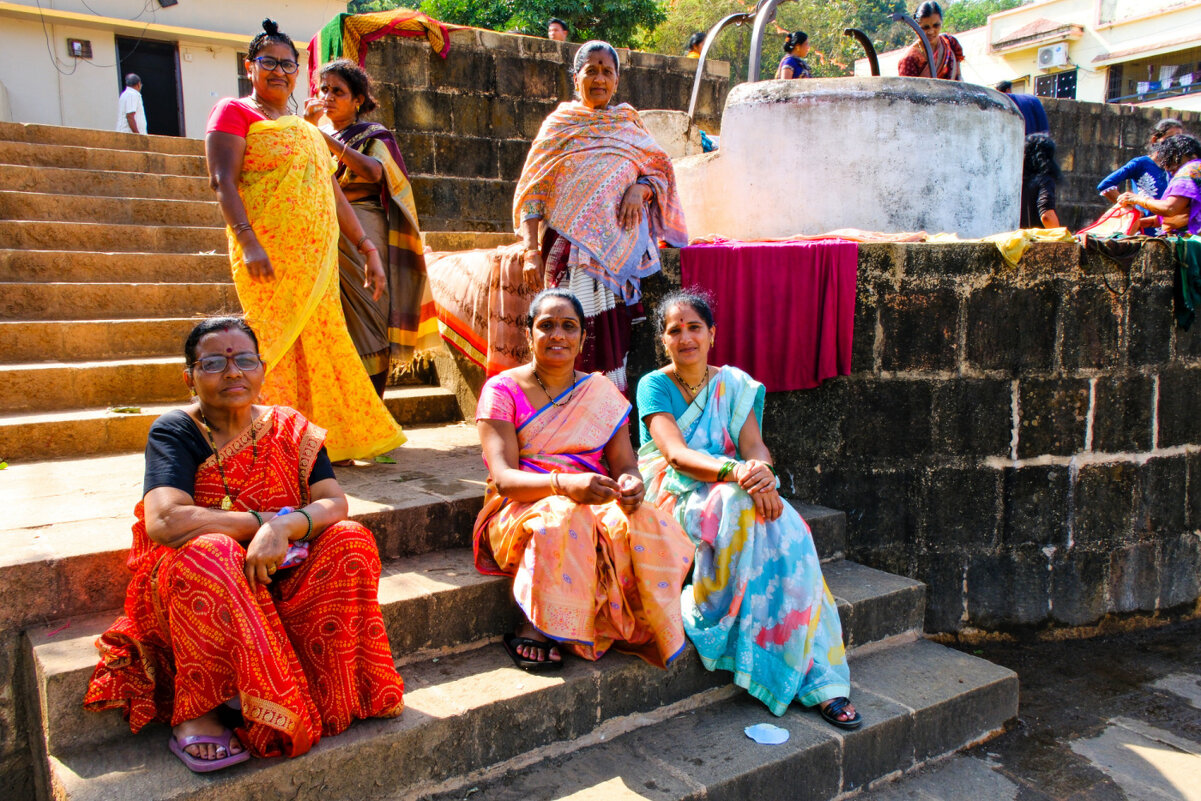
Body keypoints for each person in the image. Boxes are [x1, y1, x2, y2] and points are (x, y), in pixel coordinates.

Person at [83, 317, 405, 772]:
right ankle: (201, 710)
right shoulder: (176, 431)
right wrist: (259, 524)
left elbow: (334, 503)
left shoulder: (291, 428)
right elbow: (165, 519)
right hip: (206, 582)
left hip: (282, 570)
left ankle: (325, 689)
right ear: (189, 377)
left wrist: (282, 529)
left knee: (351, 541)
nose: (233, 372)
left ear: (262, 369)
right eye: (213, 362)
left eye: (245, 360)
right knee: (212, 552)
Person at [636, 290, 860, 729]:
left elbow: (754, 447)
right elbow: (677, 455)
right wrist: (740, 474)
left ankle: (821, 678)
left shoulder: (733, 384)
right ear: (664, 341)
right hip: (675, 492)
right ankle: (723, 614)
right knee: (740, 507)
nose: (685, 338)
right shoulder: (655, 385)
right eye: (674, 331)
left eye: (694, 327)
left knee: (792, 529)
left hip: (734, 485)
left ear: (712, 334)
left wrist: (761, 473)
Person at [205, 19, 406, 463]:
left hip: (318, 263)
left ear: (297, 71)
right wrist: (249, 242)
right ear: (249, 66)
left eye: (287, 64)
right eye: (268, 62)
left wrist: (367, 248)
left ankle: (315, 444)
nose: (278, 71)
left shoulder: (303, 127)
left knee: (321, 347)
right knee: (273, 346)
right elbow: (223, 181)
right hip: (268, 256)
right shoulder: (233, 112)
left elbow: (332, 193)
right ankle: (263, 442)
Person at [473, 288, 694, 671]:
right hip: (523, 504)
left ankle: (639, 620)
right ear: (529, 335)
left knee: (649, 521)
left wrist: (630, 485)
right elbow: (505, 478)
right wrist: (564, 485)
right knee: (562, 516)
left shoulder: (601, 392)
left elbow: (625, 464)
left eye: (568, 326)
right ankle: (539, 626)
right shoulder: (502, 390)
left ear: (581, 339)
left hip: (592, 496)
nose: (557, 334)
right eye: (546, 326)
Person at [515, 40, 688, 391]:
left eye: (607, 71)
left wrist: (641, 189)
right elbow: (533, 191)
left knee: (613, 342)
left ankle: (607, 424)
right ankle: (562, 423)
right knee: (563, 335)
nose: (599, 78)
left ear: (617, 80)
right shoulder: (559, 126)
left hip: (617, 260)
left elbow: (660, 170)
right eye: (590, 70)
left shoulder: (628, 124)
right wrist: (531, 251)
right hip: (568, 255)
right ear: (575, 78)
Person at [303, 59, 434, 397]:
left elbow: (376, 173)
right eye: (324, 90)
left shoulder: (372, 135)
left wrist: (324, 140)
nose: (328, 97)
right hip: (323, 231)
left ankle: (375, 412)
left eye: (338, 91)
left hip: (363, 227)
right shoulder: (314, 132)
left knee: (369, 320)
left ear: (357, 99)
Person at [1098, 119, 1184, 232]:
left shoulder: (1180, 168)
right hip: (1143, 228)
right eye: (1169, 139)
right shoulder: (1141, 163)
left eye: (1178, 140)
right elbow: (1106, 185)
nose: (1173, 144)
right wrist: (1130, 209)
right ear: (1155, 139)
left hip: (1172, 229)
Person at [1119, 133, 1201, 235]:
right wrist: (1143, 222)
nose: (1172, 173)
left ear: (1179, 154)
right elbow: (1183, 213)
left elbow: (1170, 208)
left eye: (1172, 168)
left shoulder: (1191, 169)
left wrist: (1137, 199)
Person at [898, 2, 963, 81]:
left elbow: (959, 79)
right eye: (925, 27)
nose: (931, 31)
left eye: (936, 25)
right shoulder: (909, 59)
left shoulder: (950, 43)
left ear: (941, 23)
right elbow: (909, 91)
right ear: (915, 28)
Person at [1021, 133, 1062, 229]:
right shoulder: (1045, 180)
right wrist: (1060, 238)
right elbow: (1047, 216)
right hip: (1035, 240)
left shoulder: (1017, 179)